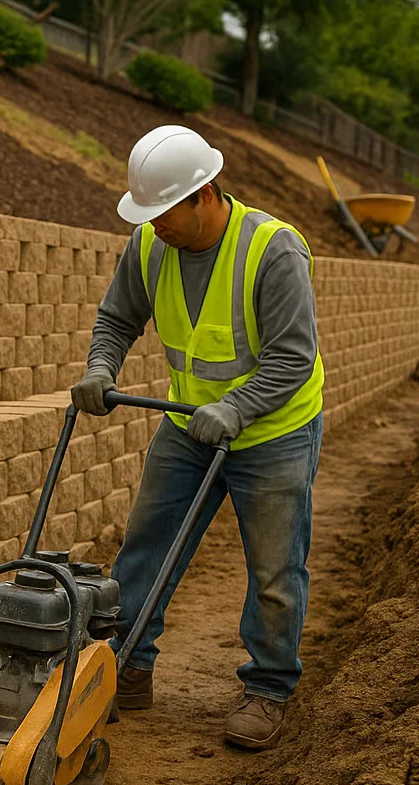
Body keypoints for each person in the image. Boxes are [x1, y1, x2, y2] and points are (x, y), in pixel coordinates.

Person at [71, 125, 323, 751]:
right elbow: (117, 317)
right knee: (145, 549)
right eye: (147, 214)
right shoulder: (150, 245)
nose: (155, 226)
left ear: (205, 194)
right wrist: (102, 367)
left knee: (272, 570)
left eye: (164, 213)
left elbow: (292, 360)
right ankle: (125, 667)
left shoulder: (273, 251)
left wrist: (237, 409)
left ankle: (268, 688)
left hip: (273, 432)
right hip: (188, 425)